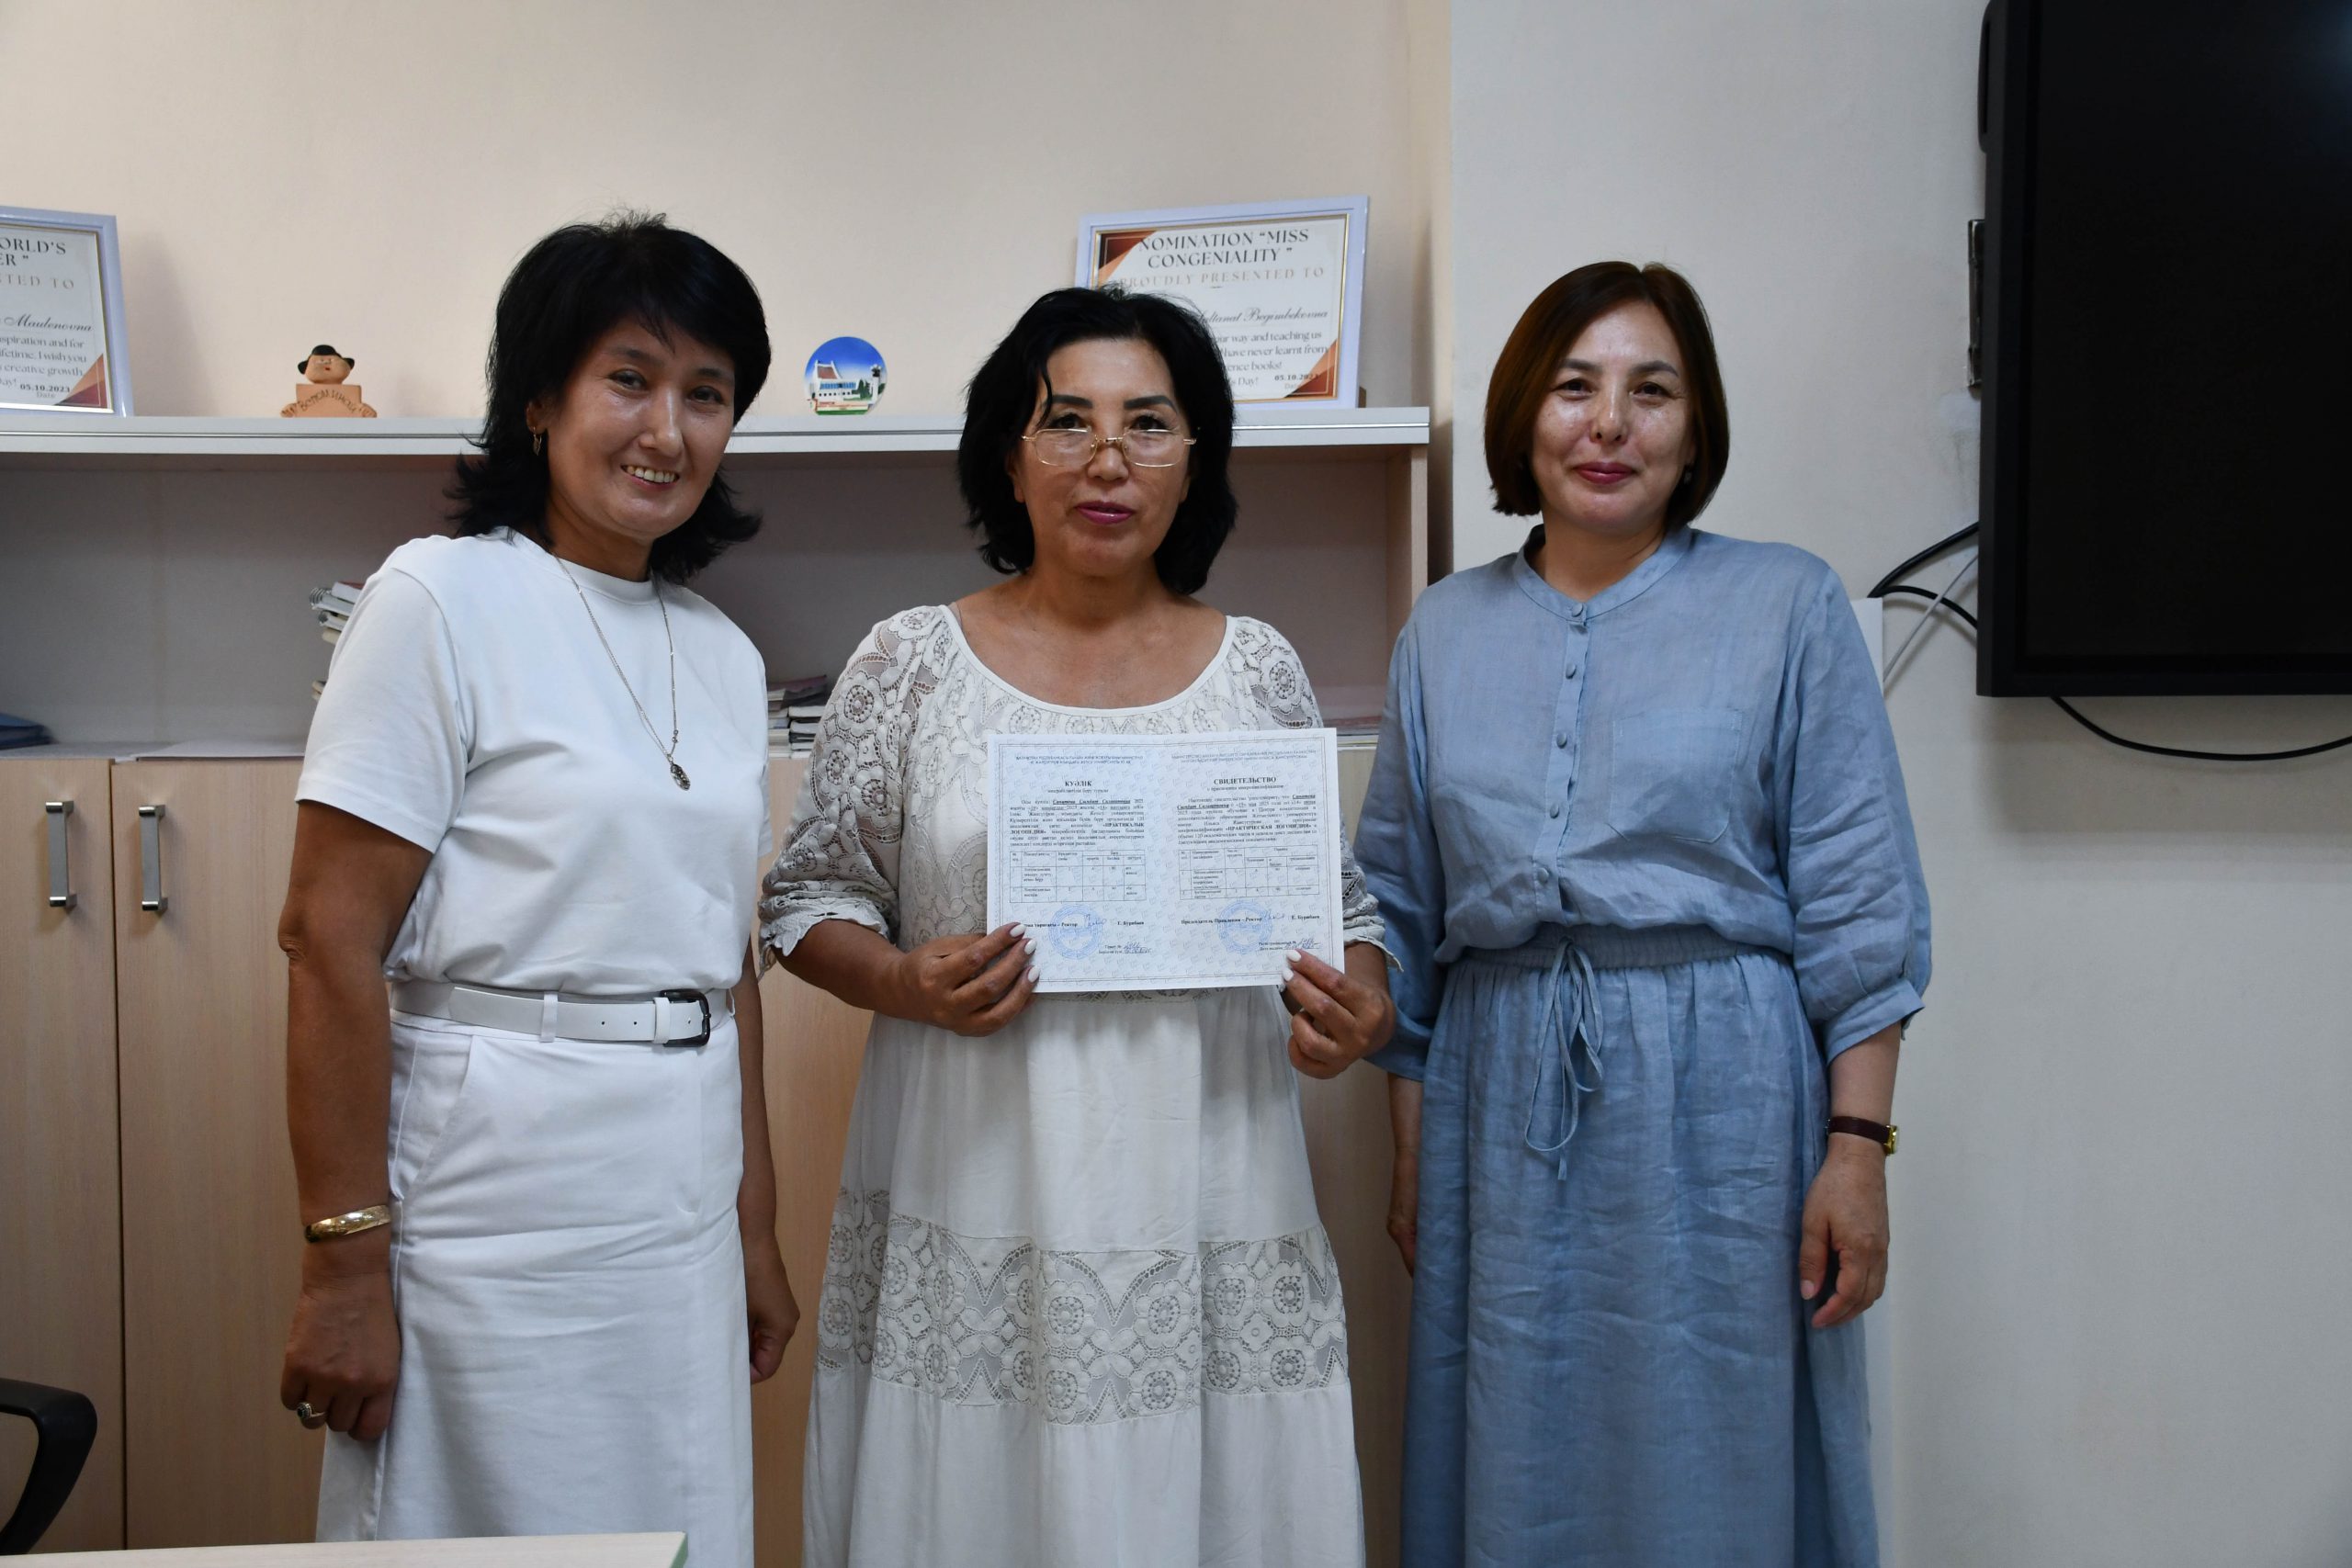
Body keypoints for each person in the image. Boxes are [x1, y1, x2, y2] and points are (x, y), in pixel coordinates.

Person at [762, 286, 1396, 1568]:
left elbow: (1341, 909)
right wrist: (901, 979)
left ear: (1195, 458)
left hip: (1209, 1172)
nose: (1109, 458)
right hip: (979, 1166)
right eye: (1068, 422)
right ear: (1010, 455)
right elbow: (807, 897)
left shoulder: (1259, 668)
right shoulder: (910, 663)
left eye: (1148, 423)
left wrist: (1360, 1004)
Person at [1356, 260, 1930, 1567]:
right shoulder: (1442, 629)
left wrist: (1857, 1151)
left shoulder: (1788, 605)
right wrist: (1411, 1150)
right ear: (1523, 413)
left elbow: (1861, 903)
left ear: (1695, 425)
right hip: (1497, 1103)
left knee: (1714, 1447)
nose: (1609, 423)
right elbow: (1397, 907)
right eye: (1575, 386)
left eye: (1651, 391)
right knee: (1516, 1435)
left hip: (1728, 1102)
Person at [276, 214, 794, 1568]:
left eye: (706, 394)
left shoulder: (725, 654)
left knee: (671, 1528)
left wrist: (755, 1229)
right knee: (479, 1529)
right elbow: (328, 940)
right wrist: (343, 1263)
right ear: (539, 402)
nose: (666, 430)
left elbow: (723, 963)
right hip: (491, 1188)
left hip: (678, 1192)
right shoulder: (438, 599)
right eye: (629, 379)